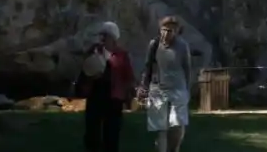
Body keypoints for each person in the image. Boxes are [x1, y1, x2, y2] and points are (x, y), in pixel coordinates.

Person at [75, 22, 133, 152]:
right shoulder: (94, 51)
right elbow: (85, 70)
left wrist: (128, 96)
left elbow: (128, 76)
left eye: (105, 35)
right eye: (101, 35)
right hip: (96, 94)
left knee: (112, 134)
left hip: (114, 98)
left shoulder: (121, 55)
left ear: (113, 38)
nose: (102, 38)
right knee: (92, 133)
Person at [138, 16, 194, 152]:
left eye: (170, 31)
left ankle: (174, 149)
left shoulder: (182, 46)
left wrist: (188, 89)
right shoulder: (154, 44)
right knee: (160, 128)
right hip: (158, 88)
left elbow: (187, 69)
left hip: (178, 87)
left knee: (177, 124)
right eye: (164, 29)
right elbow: (148, 67)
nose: (166, 33)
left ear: (176, 31)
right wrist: (143, 86)